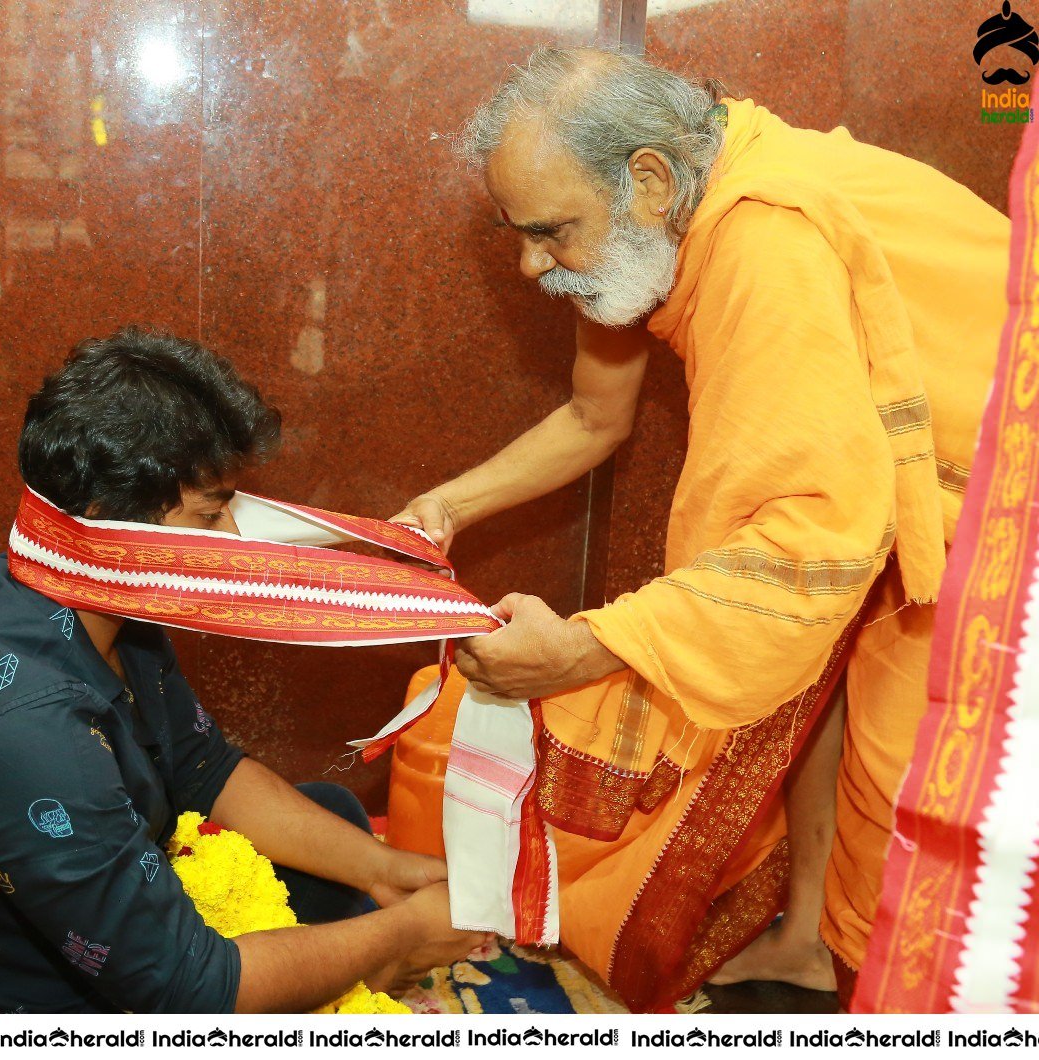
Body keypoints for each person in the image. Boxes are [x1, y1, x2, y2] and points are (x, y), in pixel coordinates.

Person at [393, 46, 1007, 1010]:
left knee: (927, 822)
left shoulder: (762, 242)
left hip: (998, 525)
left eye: (550, 232)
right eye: (517, 234)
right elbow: (598, 415)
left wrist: (590, 651)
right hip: (895, 512)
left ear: (646, 179)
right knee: (814, 690)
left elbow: (803, 543)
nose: (529, 264)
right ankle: (810, 943)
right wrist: (446, 507)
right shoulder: (656, 222)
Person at [0, 328, 482, 1014]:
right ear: (107, 520)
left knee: (334, 830)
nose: (231, 543)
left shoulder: (90, 601)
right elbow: (191, 992)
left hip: (91, 947)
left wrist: (391, 871)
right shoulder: (25, 732)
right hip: (6, 1017)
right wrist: (402, 937)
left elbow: (203, 768)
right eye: (211, 516)